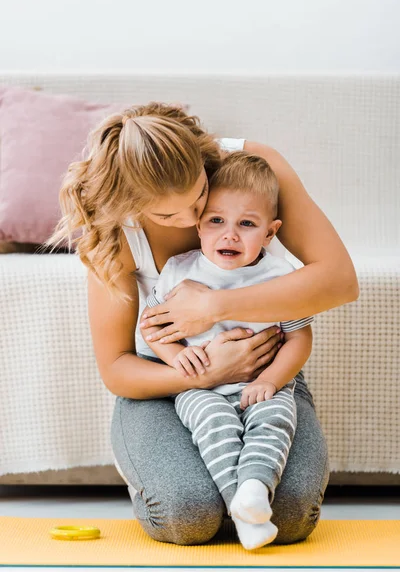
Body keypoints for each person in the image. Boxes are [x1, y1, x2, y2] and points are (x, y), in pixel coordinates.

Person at [48, 102, 359, 547]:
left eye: (199, 198)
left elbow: (341, 282)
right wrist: (208, 372)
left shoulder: (253, 168)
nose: (194, 221)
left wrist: (213, 306)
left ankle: (242, 498)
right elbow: (117, 367)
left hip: (262, 375)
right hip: (171, 382)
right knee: (187, 516)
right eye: (168, 216)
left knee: (292, 518)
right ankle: (178, 479)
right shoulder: (117, 229)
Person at [140, 151, 314, 550]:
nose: (229, 234)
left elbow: (299, 338)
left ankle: (253, 489)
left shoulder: (280, 276)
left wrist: (271, 380)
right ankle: (243, 506)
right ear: (199, 225)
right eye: (216, 221)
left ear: (270, 234)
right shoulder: (181, 270)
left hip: (262, 383)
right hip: (199, 388)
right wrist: (175, 357)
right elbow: (152, 326)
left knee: (273, 419)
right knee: (213, 423)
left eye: (247, 224)